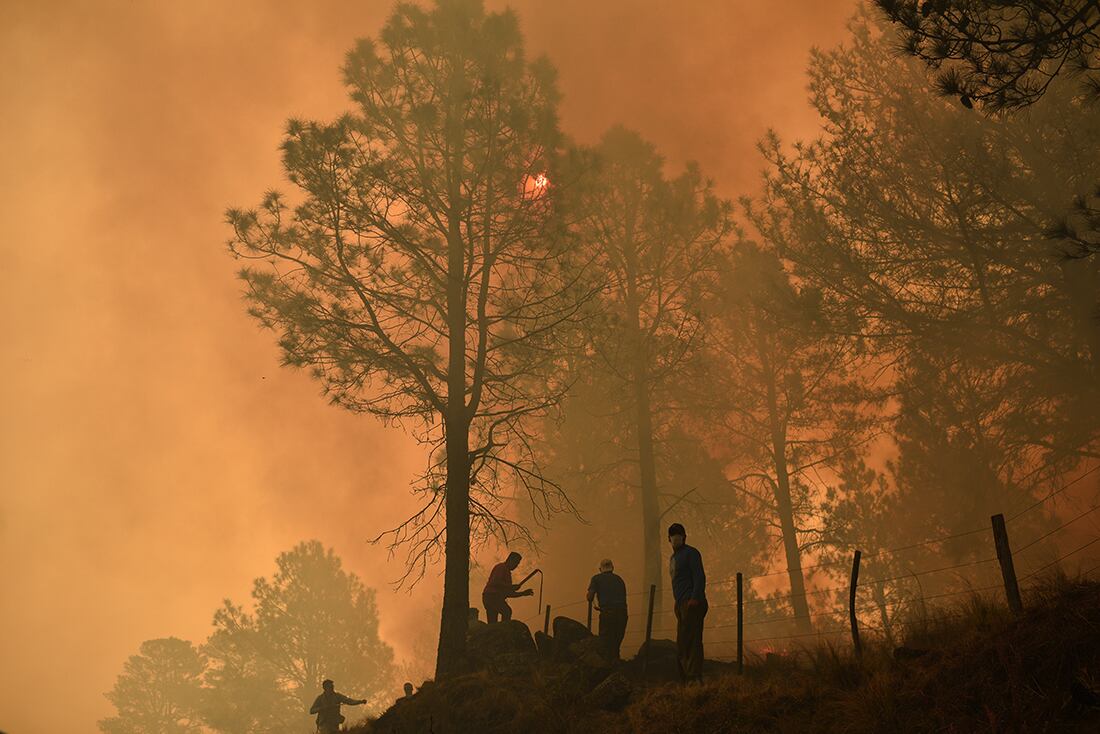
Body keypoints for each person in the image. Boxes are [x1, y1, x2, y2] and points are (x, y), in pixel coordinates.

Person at [668, 522, 708, 682]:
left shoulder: (691, 553)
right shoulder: (673, 557)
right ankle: (686, 677)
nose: (676, 537)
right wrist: (678, 602)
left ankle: (694, 676)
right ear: (668, 539)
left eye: (679, 534)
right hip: (681, 603)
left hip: (692, 603)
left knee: (692, 641)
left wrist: (694, 598)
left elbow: (699, 576)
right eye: (673, 535)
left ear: (684, 537)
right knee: (683, 641)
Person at [586, 558, 628, 660]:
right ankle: (616, 665)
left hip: (608, 614)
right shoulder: (619, 579)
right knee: (616, 643)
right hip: (622, 614)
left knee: (605, 643)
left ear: (600, 569)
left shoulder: (596, 578)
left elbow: (590, 597)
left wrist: (594, 602)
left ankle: (606, 669)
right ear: (612, 568)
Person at [482, 551, 534, 623]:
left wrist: (523, 593)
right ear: (510, 560)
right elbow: (495, 582)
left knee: (494, 621)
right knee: (507, 611)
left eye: (517, 564)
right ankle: (504, 629)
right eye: (516, 563)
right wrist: (510, 587)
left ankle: (498, 630)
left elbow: (509, 593)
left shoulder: (507, 573)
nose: (516, 565)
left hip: (493, 597)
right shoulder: (501, 567)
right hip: (491, 596)